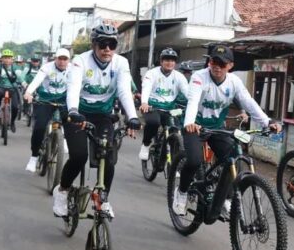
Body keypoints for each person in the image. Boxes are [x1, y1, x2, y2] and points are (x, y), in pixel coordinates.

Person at [173, 44, 281, 216]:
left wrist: (267, 122)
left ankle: (226, 198)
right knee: (194, 161)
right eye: (213, 61)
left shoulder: (234, 82)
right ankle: (182, 192)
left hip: (217, 128)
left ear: (230, 66)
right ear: (209, 62)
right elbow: (193, 101)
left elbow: (248, 103)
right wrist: (190, 123)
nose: (216, 66)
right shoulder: (199, 77)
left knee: (234, 159)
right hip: (195, 127)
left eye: (222, 64)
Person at [52, 24, 141, 219]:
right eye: (103, 44)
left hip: (102, 115)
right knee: (79, 156)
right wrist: (74, 111)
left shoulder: (121, 63)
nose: (107, 49)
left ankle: (104, 198)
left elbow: (124, 90)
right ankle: (62, 190)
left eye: (112, 44)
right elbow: (74, 87)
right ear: (94, 45)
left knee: (108, 156)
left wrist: (133, 116)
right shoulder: (79, 61)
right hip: (78, 112)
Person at [23, 49, 70, 172]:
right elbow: (37, 80)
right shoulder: (47, 67)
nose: (62, 61)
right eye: (60, 58)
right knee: (39, 126)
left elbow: (78, 85)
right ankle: (33, 157)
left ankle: (64, 139)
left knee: (70, 120)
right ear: (55, 59)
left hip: (63, 100)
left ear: (68, 60)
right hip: (45, 100)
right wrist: (29, 92)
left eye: (65, 59)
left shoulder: (73, 70)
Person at [139, 47, 189, 161]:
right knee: (153, 122)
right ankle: (146, 144)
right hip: (153, 107)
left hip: (170, 109)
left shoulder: (179, 76)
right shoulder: (152, 73)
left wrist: (194, 104)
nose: (169, 63)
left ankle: (174, 164)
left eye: (172, 60)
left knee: (176, 131)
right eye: (166, 60)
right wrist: (144, 102)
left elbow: (187, 92)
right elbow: (146, 88)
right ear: (161, 61)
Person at [0, 49, 23, 132]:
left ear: (12, 59)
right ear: (2, 59)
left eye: (9, 58)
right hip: (1, 87)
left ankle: (12, 122)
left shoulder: (15, 67)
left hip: (13, 89)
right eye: (5, 57)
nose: (7, 59)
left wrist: (23, 82)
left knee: (15, 107)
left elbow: (20, 75)